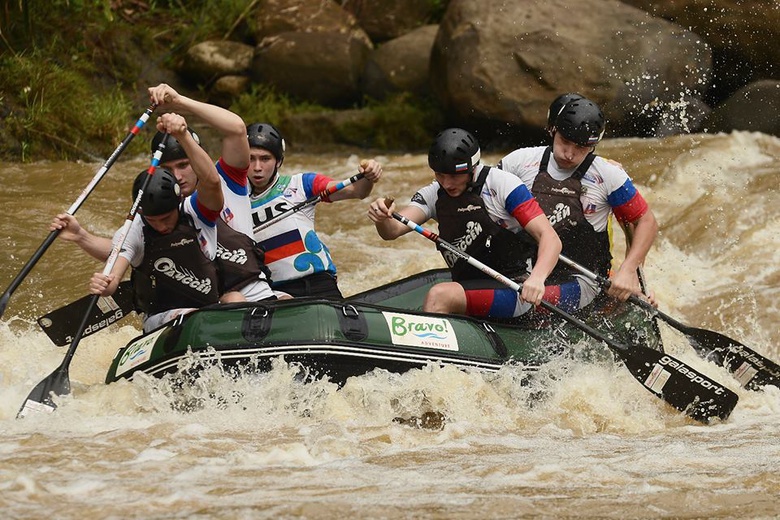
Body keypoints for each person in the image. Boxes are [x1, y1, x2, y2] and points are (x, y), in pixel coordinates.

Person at [52, 83, 275, 304]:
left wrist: (178, 102)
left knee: (253, 299)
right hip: (204, 302)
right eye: (167, 169)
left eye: (183, 164)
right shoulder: (155, 205)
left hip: (251, 291)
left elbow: (236, 129)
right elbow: (127, 249)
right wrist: (82, 236)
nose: (176, 176)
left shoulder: (226, 180)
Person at [367, 128, 561, 319]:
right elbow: (392, 231)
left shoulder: (504, 185)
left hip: (513, 288)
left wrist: (537, 278)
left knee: (438, 296)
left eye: (454, 176)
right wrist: (383, 218)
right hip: (467, 287)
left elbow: (550, 238)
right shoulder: (434, 193)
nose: (447, 184)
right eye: (440, 175)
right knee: (442, 293)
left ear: (472, 168)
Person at [497, 97, 659, 311]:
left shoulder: (608, 175)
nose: (570, 154)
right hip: (524, 271)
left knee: (520, 302)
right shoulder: (518, 162)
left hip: (580, 279)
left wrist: (629, 271)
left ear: (594, 145)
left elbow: (646, 222)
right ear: (553, 130)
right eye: (565, 141)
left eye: (581, 147)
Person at [89, 113, 224, 332]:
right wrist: (106, 285)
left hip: (208, 312)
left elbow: (212, 181)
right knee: (190, 318)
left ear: (178, 202)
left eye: (166, 218)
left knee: (234, 300)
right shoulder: (134, 228)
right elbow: (115, 271)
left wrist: (182, 134)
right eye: (154, 220)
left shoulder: (196, 212)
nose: (161, 226)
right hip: (161, 318)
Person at [245, 123, 383, 298]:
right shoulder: (234, 202)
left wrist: (369, 174)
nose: (257, 167)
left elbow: (357, 191)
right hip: (278, 293)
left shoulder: (303, 184)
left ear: (278, 161)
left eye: (265, 159)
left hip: (320, 282)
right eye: (251, 159)